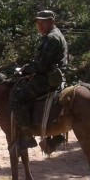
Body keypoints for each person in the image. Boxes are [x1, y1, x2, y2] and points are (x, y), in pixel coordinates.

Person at [10, 10, 68, 152]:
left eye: (43, 22)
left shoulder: (52, 38)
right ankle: (55, 134)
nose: (40, 25)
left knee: (16, 98)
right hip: (56, 77)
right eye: (38, 22)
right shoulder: (56, 34)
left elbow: (42, 65)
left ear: (52, 22)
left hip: (47, 80)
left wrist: (25, 70)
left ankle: (28, 137)